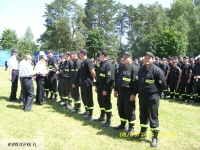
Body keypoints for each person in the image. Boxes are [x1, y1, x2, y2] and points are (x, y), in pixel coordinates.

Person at [133, 52, 166, 147]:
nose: (147, 59)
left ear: (153, 59)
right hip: (142, 96)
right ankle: (142, 133)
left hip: (152, 97)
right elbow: (138, 82)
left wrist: (157, 92)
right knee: (143, 115)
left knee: (153, 116)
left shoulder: (157, 70)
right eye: (145, 58)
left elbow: (162, 84)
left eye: (149, 58)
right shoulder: (141, 70)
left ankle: (154, 137)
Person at [113, 52, 138, 134]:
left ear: (131, 58)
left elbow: (135, 83)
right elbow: (118, 79)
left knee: (129, 109)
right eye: (123, 57)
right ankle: (122, 124)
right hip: (120, 92)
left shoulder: (134, 68)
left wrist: (133, 94)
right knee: (121, 108)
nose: (124, 58)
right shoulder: (121, 67)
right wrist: (116, 90)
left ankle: (131, 127)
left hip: (129, 92)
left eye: (126, 57)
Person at [72, 49, 96, 120]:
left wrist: (92, 79)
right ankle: (87, 111)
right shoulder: (83, 62)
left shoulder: (88, 61)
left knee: (88, 97)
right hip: (82, 82)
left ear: (83, 54)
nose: (79, 54)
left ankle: (90, 114)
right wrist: (74, 82)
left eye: (79, 53)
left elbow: (93, 72)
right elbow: (79, 73)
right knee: (84, 96)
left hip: (87, 82)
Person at [94, 50, 114, 127]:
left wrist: (105, 89)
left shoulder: (108, 64)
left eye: (100, 55)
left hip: (106, 88)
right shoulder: (101, 63)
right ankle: (102, 116)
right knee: (100, 102)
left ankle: (108, 120)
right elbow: (98, 76)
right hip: (100, 87)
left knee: (106, 103)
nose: (99, 56)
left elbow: (109, 78)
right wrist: (96, 86)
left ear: (103, 55)